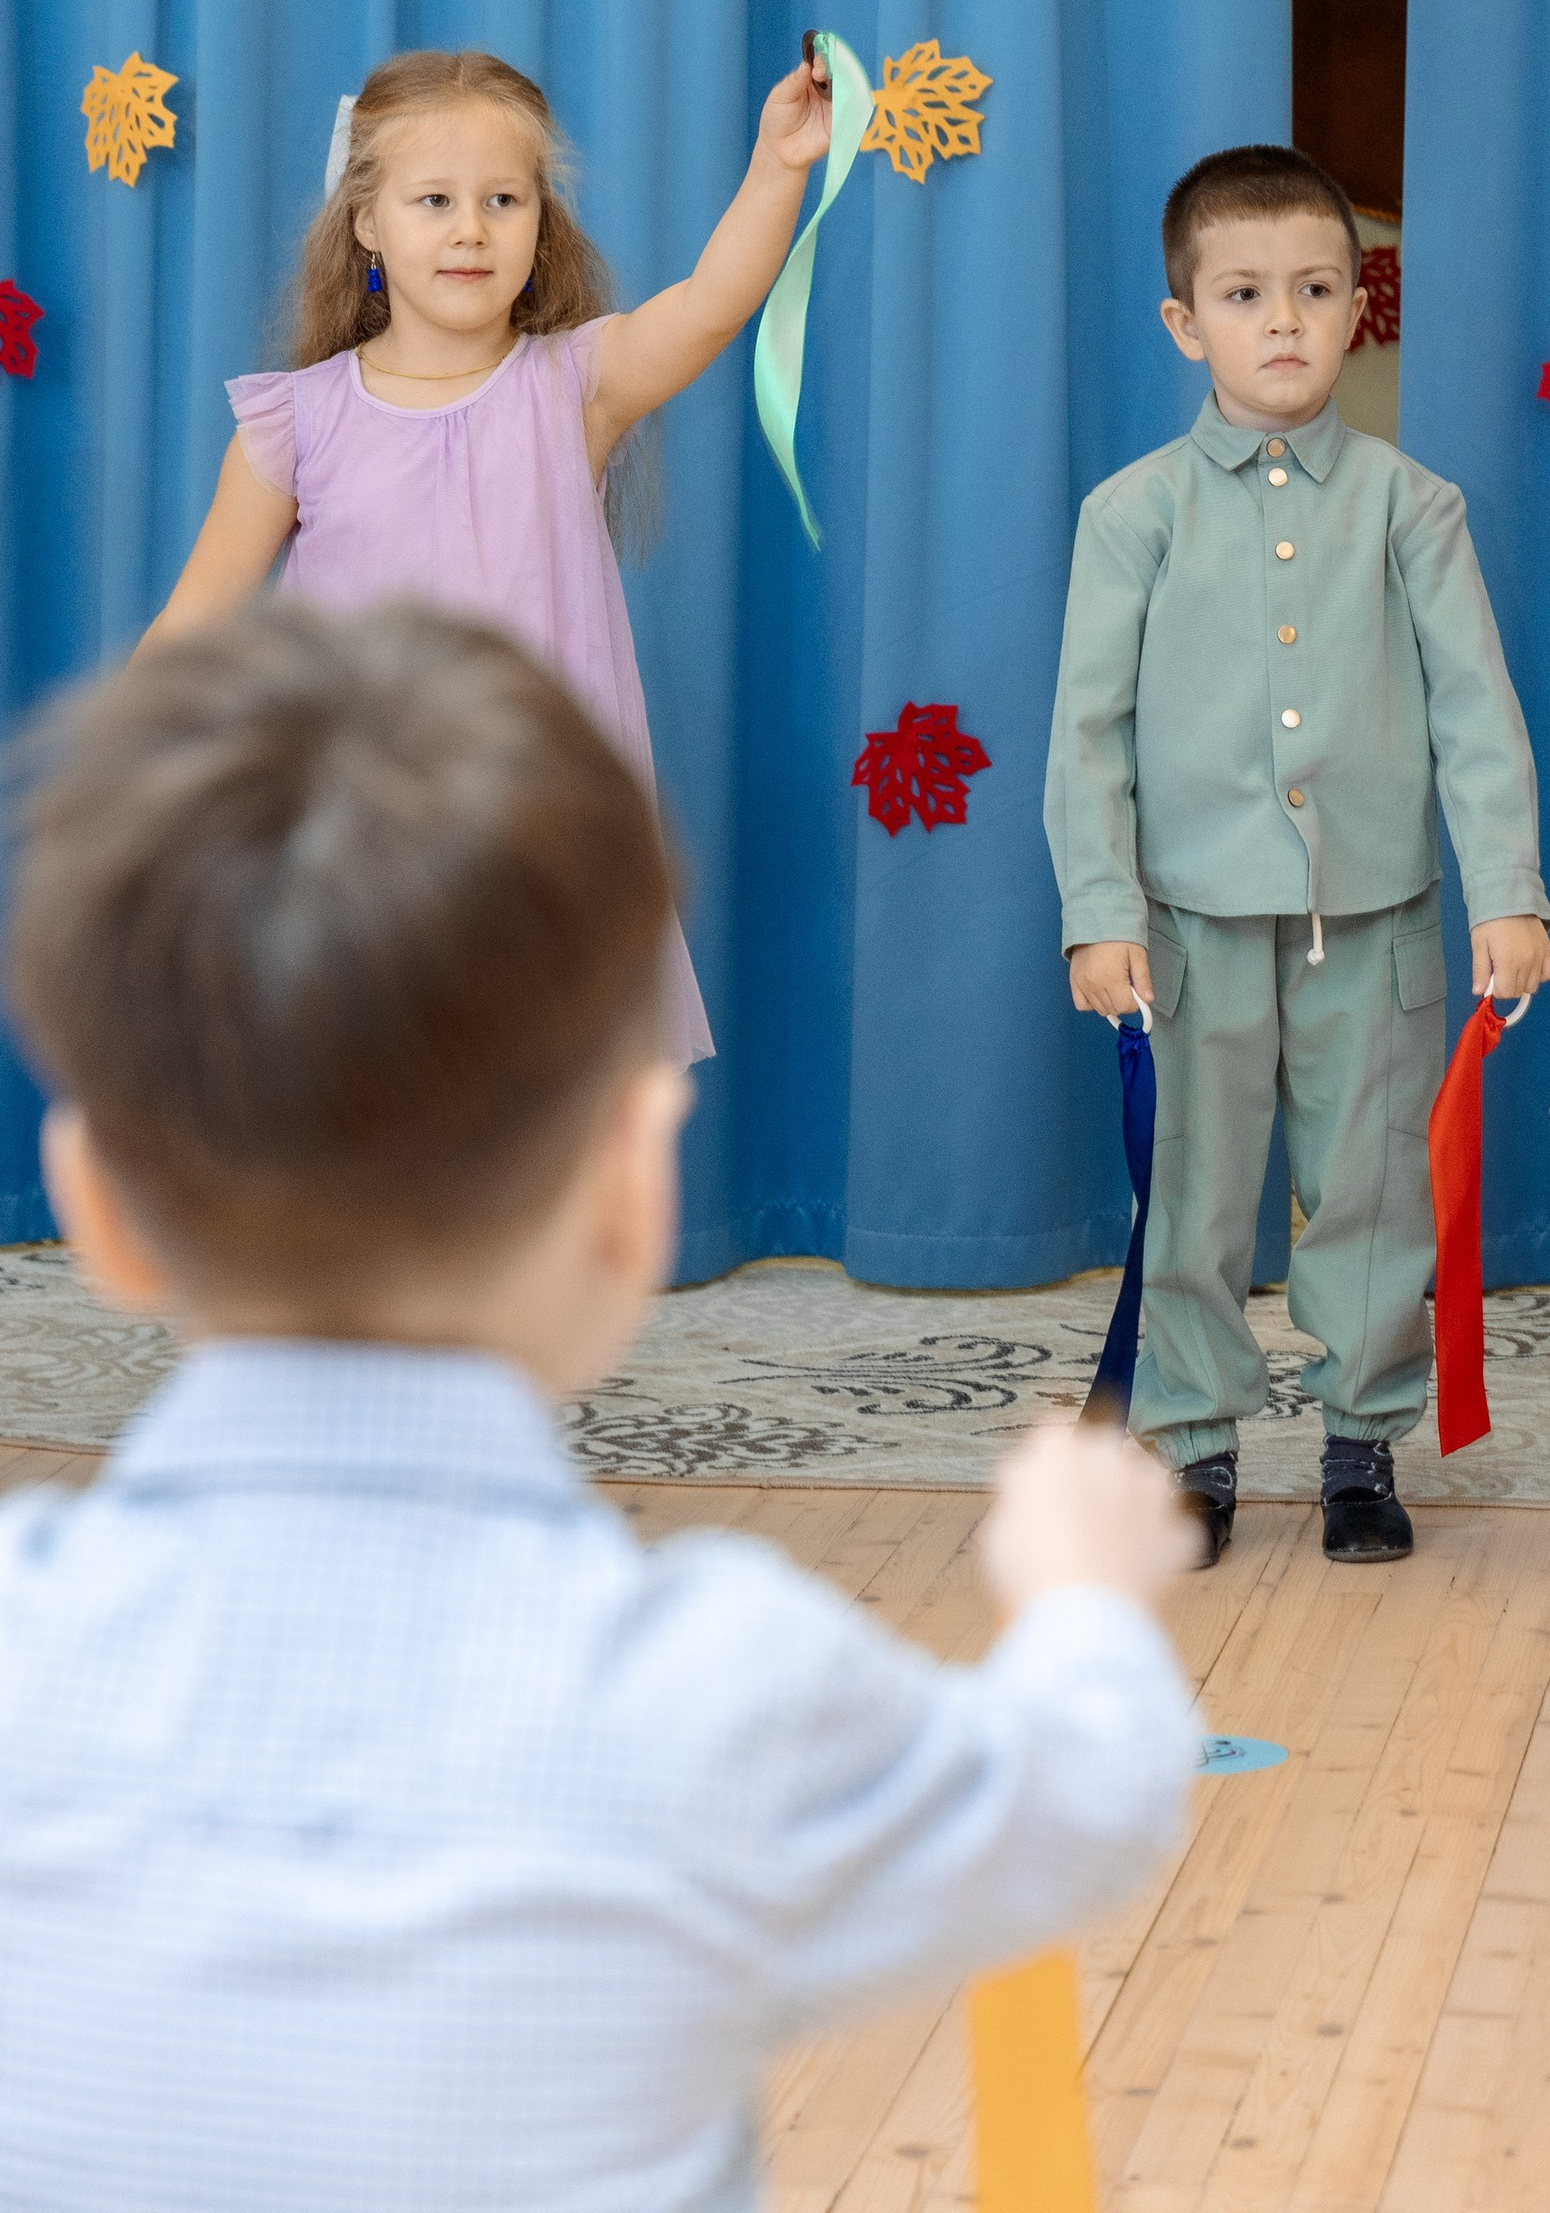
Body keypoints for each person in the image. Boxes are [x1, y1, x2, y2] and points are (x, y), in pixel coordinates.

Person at [0, 599, 1198, 2213]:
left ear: (97, 1208)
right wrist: (1080, 1597)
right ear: (635, 1188)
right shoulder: (727, 1689)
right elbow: (1077, 1804)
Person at [1045, 143, 1550, 1568]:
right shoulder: (1131, 515)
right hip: (1187, 921)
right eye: (1246, 294)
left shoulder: (1413, 505)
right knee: (1192, 1192)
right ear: (1184, 322)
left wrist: (1508, 892)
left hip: (1375, 916)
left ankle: (1359, 1445)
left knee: (1372, 1190)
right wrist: (1100, 909)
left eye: (1317, 290)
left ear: (1357, 306)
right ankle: (1192, 1449)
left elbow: (1475, 714)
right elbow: (1086, 732)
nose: (1284, 320)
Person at [146, 43, 835, 1057]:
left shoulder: (576, 387)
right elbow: (188, 632)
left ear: (539, 223)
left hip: (541, 850)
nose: (471, 228)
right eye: (434, 201)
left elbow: (709, 303)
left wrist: (779, 163)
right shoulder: (294, 427)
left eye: (504, 200)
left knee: (534, 1118)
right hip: (363, 856)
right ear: (366, 220)